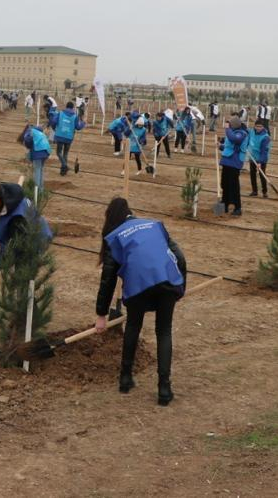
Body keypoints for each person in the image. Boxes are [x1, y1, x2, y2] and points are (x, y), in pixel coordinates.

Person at [95, 198, 186, 405]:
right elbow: (179, 257)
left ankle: (125, 378)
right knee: (164, 331)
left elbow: (108, 279)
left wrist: (101, 314)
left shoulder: (114, 236)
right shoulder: (154, 225)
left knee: (133, 326)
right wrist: (180, 288)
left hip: (138, 286)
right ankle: (164, 389)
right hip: (166, 282)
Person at [0, 179, 52, 277]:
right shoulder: (7, 194)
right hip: (24, 233)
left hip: (35, 240)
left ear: (1, 198)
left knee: (23, 273)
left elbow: (15, 247)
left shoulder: (16, 219)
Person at [218, 116, 249, 216]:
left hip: (234, 163)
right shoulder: (232, 132)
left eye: (230, 124)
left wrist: (227, 129)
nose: (228, 126)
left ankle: (237, 208)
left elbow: (234, 140)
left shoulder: (242, 133)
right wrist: (220, 146)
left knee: (234, 186)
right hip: (227, 161)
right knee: (224, 184)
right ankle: (224, 206)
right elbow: (229, 146)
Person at [47, 101, 85, 176]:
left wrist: (54, 127)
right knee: (65, 153)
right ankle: (63, 171)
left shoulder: (60, 113)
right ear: (73, 108)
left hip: (60, 136)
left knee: (58, 152)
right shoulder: (75, 116)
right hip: (69, 137)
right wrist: (83, 123)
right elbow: (78, 127)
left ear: (66, 106)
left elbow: (54, 121)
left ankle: (64, 165)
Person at [20, 124, 51, 189]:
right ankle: (41, 189)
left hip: (38, 152)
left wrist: (27, 146)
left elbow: (28, 141)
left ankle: (36, 188)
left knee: (37, 170)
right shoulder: (39, 132)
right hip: (46, 151)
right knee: (40, 170)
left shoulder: (30, 131)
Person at [247, 119, 271, 198]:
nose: (258, 128)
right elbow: (247, 139)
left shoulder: (265, 137)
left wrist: (260, 162)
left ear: (263, 127)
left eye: (260, 127)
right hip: (252, 156)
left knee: (262, 174)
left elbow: (264, 151)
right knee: (252, 174)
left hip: (262, 158)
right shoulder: (251, 132)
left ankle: (265, 192)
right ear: (254, 126)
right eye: (257, 126)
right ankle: (254, 191)